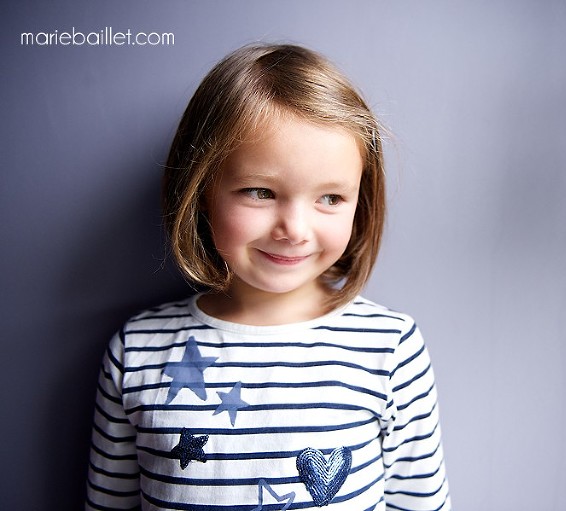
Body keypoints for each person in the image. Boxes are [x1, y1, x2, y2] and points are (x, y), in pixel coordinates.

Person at [85, 43, 450, 511]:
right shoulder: (136, 354)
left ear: (362, 204)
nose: (294, 230)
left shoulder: (390, 349)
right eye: (260, 192)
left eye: (331, 198)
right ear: (200, 192)